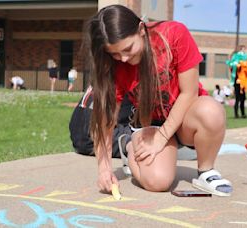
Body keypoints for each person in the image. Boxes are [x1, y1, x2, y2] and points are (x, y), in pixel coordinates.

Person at [85, 5, 232, 196]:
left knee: (211, 111)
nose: (123, 58)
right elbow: (106, 121)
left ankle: (206, 171)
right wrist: (104, 169)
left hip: (186, 116)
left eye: (128, 48)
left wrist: (161, 138)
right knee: (157, 182)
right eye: (115, 53)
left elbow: (189, 93)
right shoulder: (115, 65)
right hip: (151, 123)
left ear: (140, 30)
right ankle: (129, 146)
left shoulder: (174, 34)